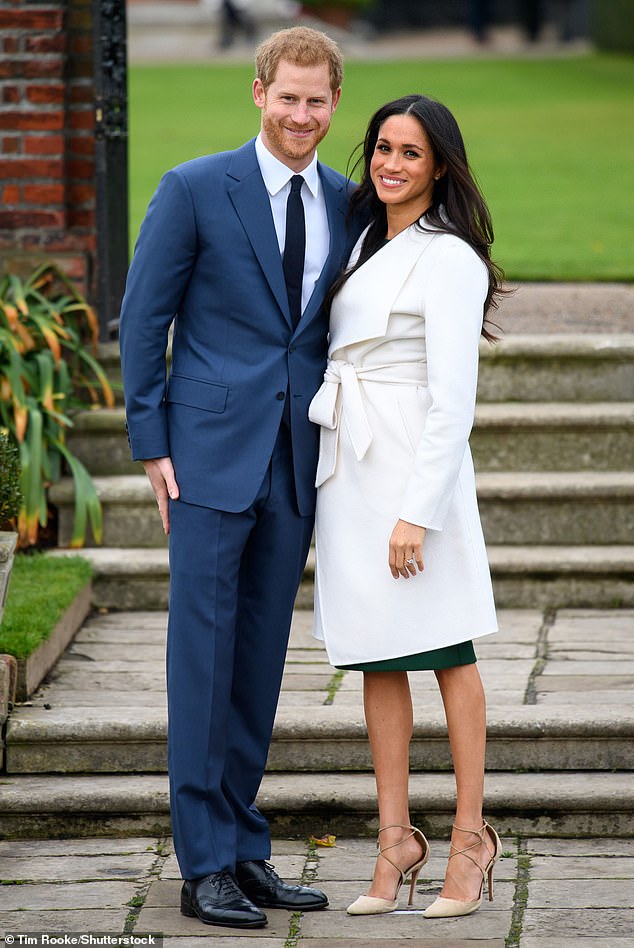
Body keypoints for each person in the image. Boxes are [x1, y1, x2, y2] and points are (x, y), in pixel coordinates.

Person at [119, 27, 363, 931]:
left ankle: (243, 844)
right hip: (207, 460)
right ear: (258, 93)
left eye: (317, 101)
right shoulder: (193, 189)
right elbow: (143, 321)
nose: (301, 115)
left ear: (334, 104)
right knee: (202, 659)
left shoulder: (347, 200)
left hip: (297, 465)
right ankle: (202, 864)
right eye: (287, 97)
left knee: (258, 664)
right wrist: (152, 444)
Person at [308, 94, 504, 920]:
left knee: (448, 653)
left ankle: (469, 840)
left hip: (414, 476)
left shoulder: (450, 257)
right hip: (350, 468)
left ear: (440, 167)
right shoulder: (358, 237)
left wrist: (416, 513)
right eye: (382, 147)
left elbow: (453, 400)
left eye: (411, 154)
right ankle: (395, 843)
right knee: (376, 657)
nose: (390, 164)